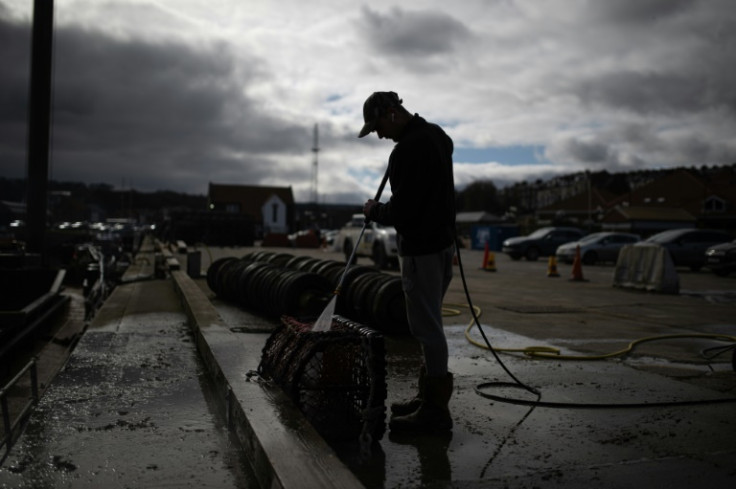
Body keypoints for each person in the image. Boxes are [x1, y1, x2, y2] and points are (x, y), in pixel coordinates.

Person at [359, 91, 456, 433]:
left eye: (379, 126)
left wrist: (374, 210)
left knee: (426, 329)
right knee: (431, 324)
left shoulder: (406, 150)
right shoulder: (438, 137)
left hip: (421, 251)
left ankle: (434, 413)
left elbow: (403, 210)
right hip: (443, 248)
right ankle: (428, 396)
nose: (380, 134)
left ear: (392, 112)